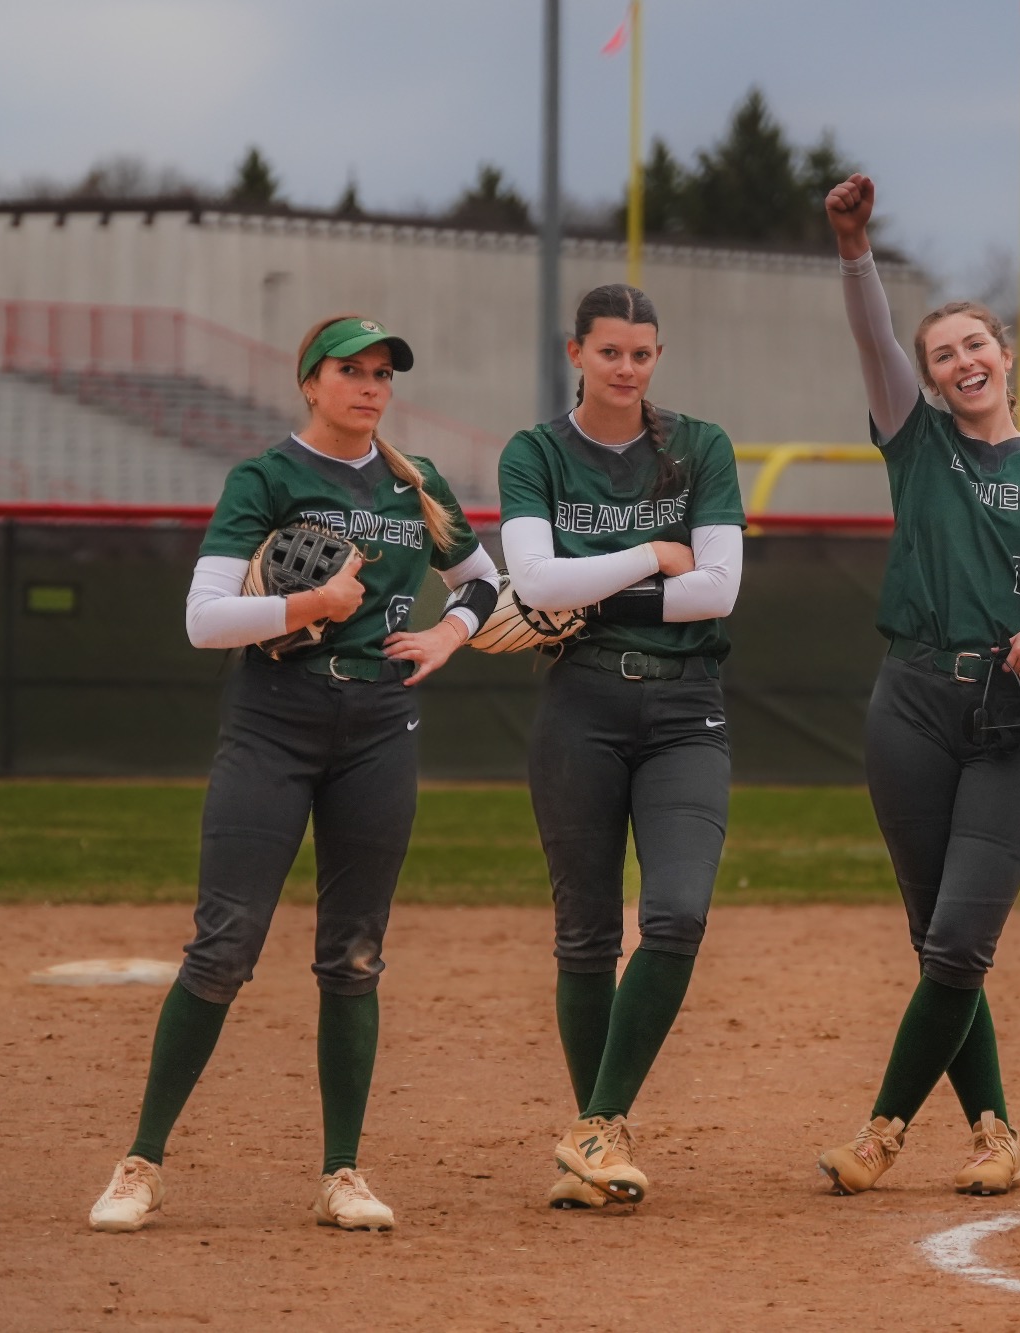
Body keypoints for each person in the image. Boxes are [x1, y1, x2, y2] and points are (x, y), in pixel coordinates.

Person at [89, 315, 501, 1233]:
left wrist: (448, 631)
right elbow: (204, 620)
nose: (370, 385)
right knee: (223, 945)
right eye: (350, 370)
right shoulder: (267, 477)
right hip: (275, 718)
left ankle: (342, 1173)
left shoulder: (414, 482)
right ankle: (141, 1161)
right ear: (310, 382)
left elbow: (484, 581)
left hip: (379, 728)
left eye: (382, 371)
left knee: (353, 954)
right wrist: (310, 603)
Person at [814, 174, 1020, 1196]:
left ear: (1004, 355)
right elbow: (873, 337)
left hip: (1012, 717)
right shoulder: (916, 445)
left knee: (960, 937)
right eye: (941, 353)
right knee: (937, 941)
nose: (961, 361)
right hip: (911, 704)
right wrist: (855, 247)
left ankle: (880, 1131)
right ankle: (995, 1133)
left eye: (974, 345)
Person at [497, 283, 744, 1209]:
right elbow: (530, 578)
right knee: (588, 934)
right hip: (581, 706)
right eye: (610, 353)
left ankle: (597, 1123)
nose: (628, 369)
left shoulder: (699, 446)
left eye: (642, 354)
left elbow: (718, 591)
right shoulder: (537, 453)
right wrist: (652, 554)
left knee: (675, 914)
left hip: (686, 706)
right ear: (577, 354)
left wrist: (585, 589)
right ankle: (598, 1138)